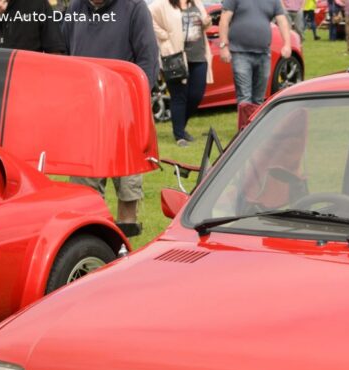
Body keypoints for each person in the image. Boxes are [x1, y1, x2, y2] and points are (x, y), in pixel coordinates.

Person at [65, 0, 159, 227]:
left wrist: (133, 106)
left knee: (128, 192)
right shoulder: (74, 9)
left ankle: (124, 251)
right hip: (85, 118)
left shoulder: (135, 8)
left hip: (124, 119)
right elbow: (64, 56)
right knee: (83, 196)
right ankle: (94, 248)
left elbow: (148, 62)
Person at [219, 0, 292, 129]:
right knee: (244, 98)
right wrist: (224, 45)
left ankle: (255, 131)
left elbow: (282, 20)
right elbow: (224, 19)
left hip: (263, 54)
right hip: (240, 53)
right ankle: (244, 131)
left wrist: (287, 43)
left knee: (259, 99)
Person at [150, 0, 213, 146]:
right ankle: (179, 135)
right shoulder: (163, 4)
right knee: (179, 96)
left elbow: (204, 24)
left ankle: (180, 126)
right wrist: (164, 35)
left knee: (196, 95)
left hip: (199, 56)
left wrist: (206, 22)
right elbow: (149, 15)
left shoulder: (196, 2)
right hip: (175, 56)